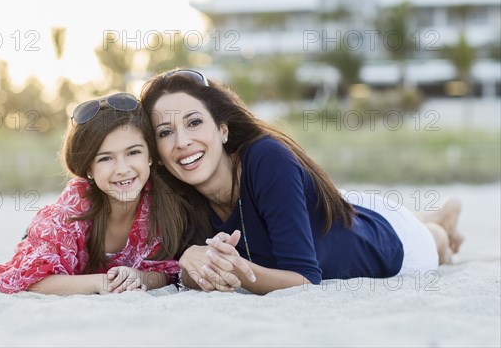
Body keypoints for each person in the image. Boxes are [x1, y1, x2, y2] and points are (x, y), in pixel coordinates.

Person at [140, 69, 464, 295]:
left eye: (194, 122)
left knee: (431, 240)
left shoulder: (266, 158)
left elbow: (305, 280)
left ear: (222, 129)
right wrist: (188, 264)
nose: (182, 141)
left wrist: (238, 271)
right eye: (165, 132)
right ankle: (432, 217)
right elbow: (179, 270)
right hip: (340, 208)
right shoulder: (173, 197)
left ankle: (439, 224)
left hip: (389, 241)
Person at [0, 92, 194, 295]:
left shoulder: (163, 202)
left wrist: (139, 277)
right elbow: (29, 280)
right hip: (49, 237)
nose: (123, 168)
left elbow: (168, 274)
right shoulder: (74, 207)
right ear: (89, 168)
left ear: (150, 155)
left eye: (133, 152)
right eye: (106, 158)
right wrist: (102, 282)